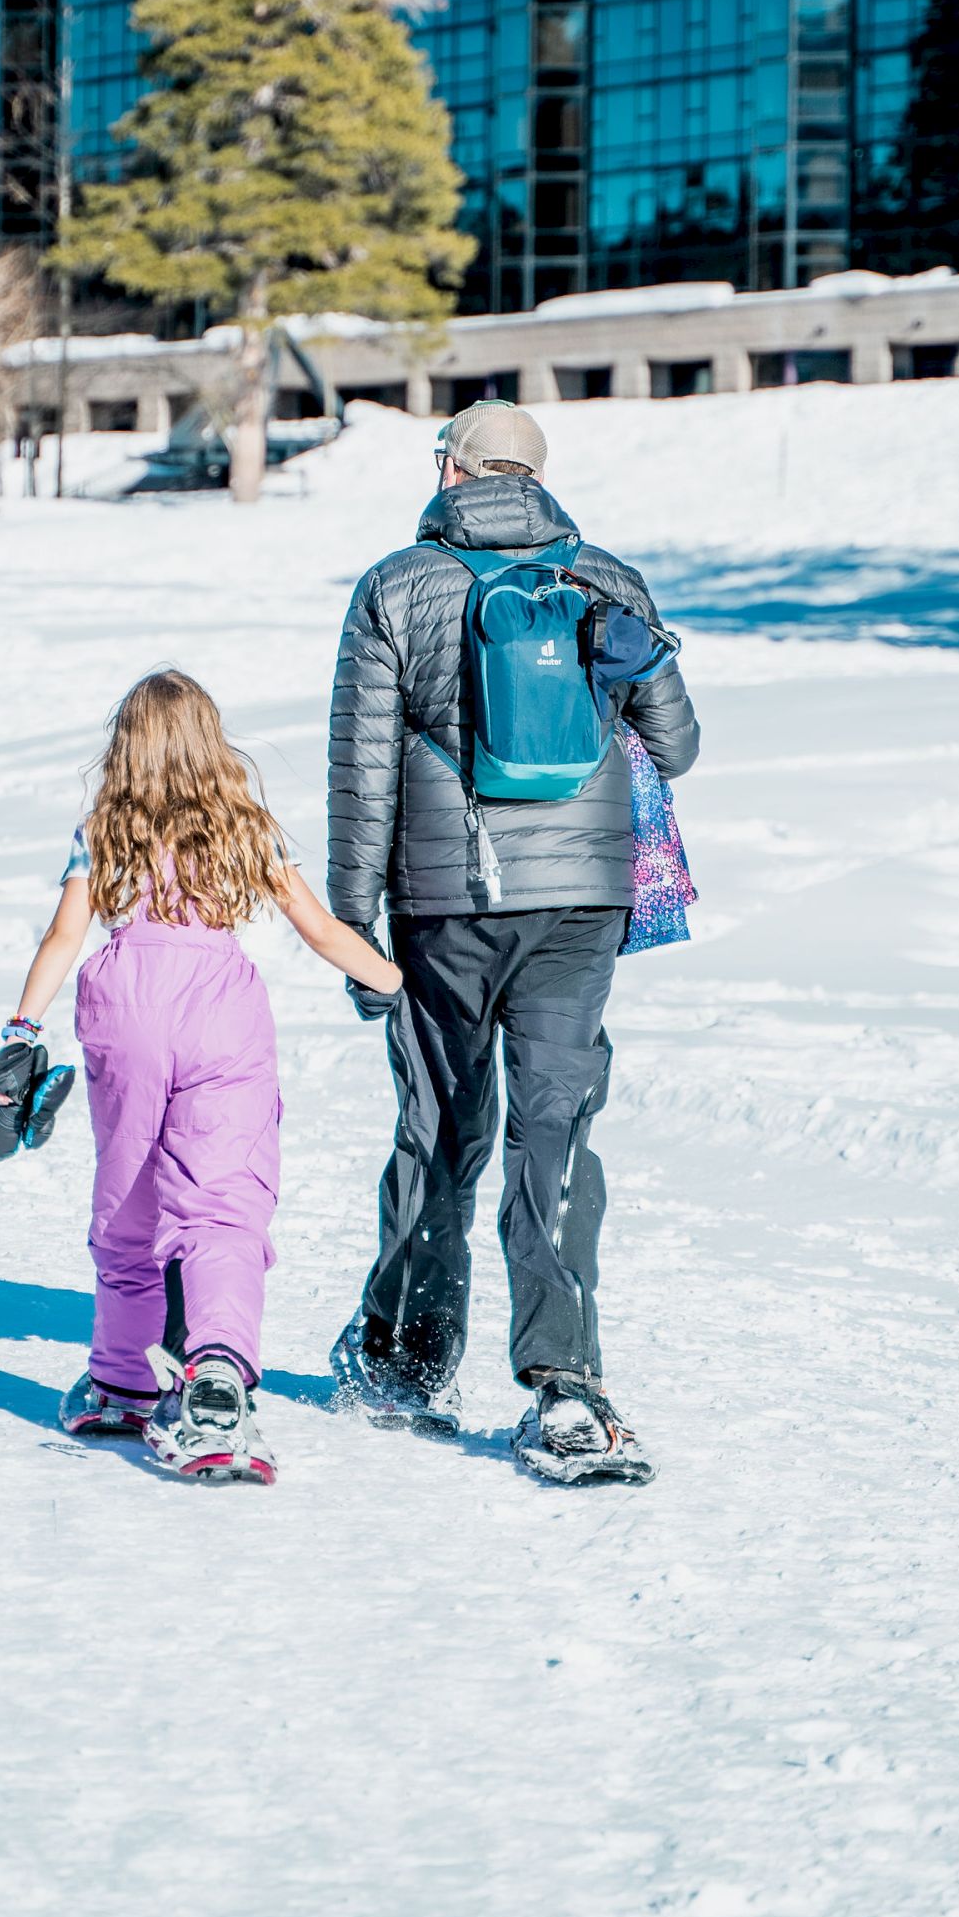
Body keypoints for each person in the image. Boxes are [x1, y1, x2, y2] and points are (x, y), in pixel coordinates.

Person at [325, 400, 700, 1485]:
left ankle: (406, 1362)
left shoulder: (396, 585)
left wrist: (354, 926)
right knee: (556, 1132)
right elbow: (674, 746)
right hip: (582, 900)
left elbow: (364, 773)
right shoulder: (608, 582)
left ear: (453, 469)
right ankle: (565, 1385)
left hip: (445, 902)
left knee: (440, 1125)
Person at [0, 668, 402, 1486]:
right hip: (222, 1017)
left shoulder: (104, 827)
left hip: (125, 1015)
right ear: (212, 746)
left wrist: (21, 1027)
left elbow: (63, 934)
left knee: (131, 1196)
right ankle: (215, 1376)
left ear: (127, 747)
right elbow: (317, 928)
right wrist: (394, 982)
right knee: (219, 1203)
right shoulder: (243, 826)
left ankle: (120, 1381)